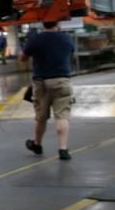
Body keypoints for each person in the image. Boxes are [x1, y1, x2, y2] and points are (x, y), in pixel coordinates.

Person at [21, 21, 75, 160]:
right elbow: (70, 54)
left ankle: (37, 145)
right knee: (62, 116)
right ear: (58, 24)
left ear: (43, 24)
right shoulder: (66, 39)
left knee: (41, 117)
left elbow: (23, 58)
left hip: (42, 83)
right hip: (62, 81)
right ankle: (63, 149)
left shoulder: (35, 40)